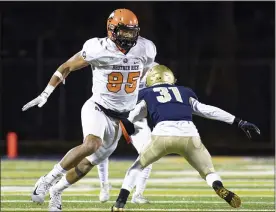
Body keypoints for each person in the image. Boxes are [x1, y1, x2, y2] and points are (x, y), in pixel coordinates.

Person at [22, 8, 156, 212]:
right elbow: (67, 66)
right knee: (92, 143)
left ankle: (57, 191)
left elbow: (140, 78)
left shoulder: (146, 48)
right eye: (124, 32)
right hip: (98, 108)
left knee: (86, 166)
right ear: (112, 30)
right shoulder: (97, 48)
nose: (129, 37)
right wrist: (46, 93)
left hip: (120, 118)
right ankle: (47, 180)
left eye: (132, 32)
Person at [111, 65, 260, 211]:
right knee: (209, 172)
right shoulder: (184, 92)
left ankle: (120, 203)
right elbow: (207, 110)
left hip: (162, 135)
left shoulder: (147, 93)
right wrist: (238, 121)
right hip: (190, 135)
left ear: (151, 80)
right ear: (171, 78)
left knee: (137, 168)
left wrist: (127, 123)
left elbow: (134, 115)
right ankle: (217, 186)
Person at [97, 63, 158, 204]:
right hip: (113, 113)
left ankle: (138, 194)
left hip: (136, 118)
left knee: (148, 154)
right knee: (100, 150)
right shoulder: (118, 61)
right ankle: (104, 185)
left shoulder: (155, 67)